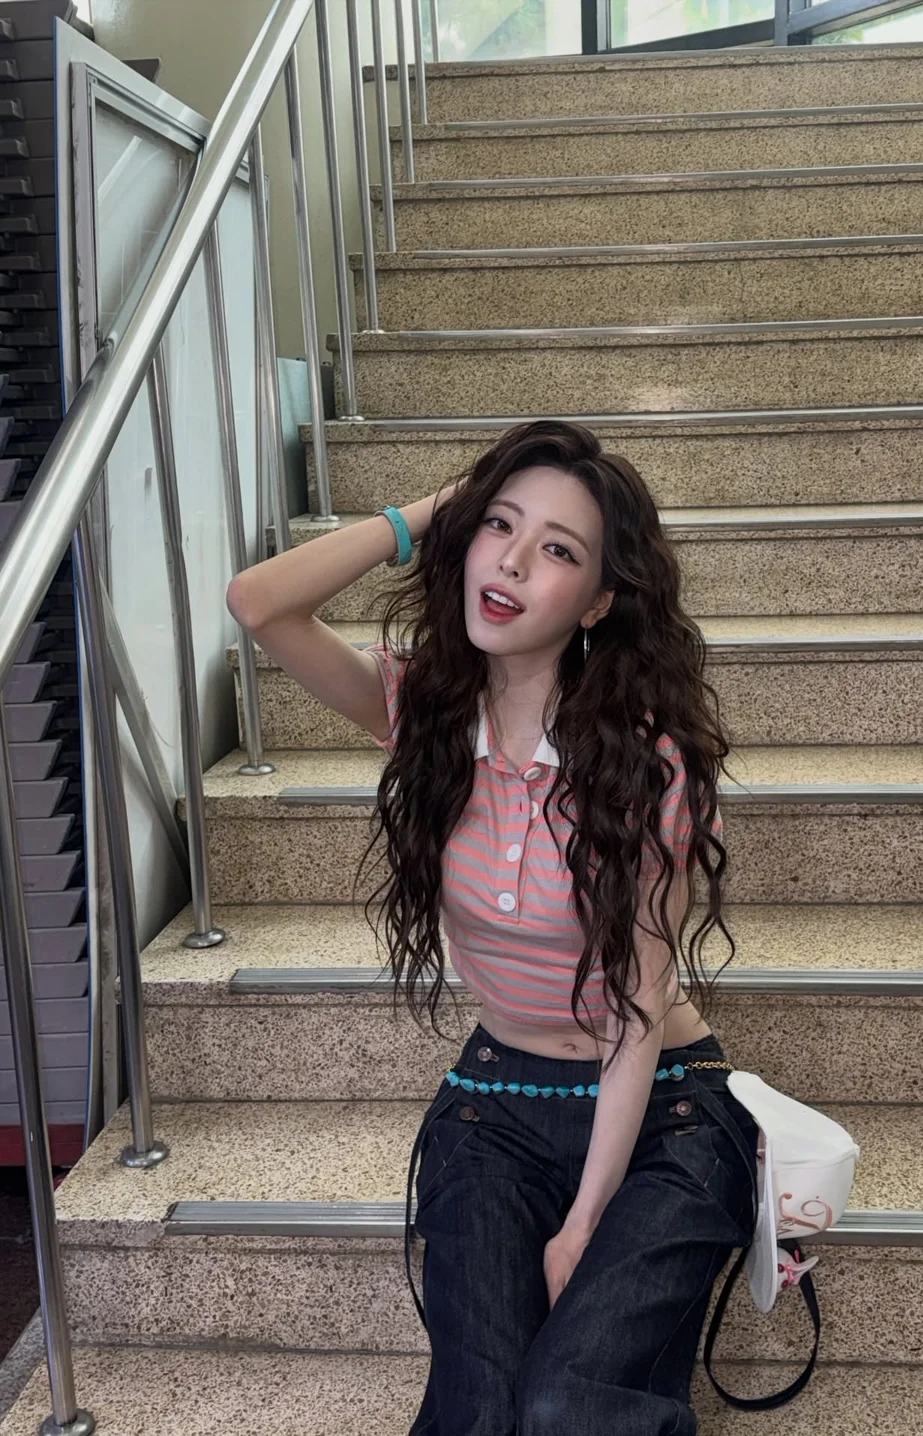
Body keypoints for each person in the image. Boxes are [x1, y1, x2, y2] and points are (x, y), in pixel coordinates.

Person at [226, 419, 760, 1436]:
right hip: (496, 1106)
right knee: (480, 1409)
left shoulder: (646, 765)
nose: (511, 562)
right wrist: (432, 511)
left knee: (563, 1401)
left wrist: (586, 1220)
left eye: (557, 548)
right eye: (499, 527)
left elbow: (637, 1008)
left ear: (597, 601)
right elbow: (260, 601)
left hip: (664, 1108)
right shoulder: (420, 714)